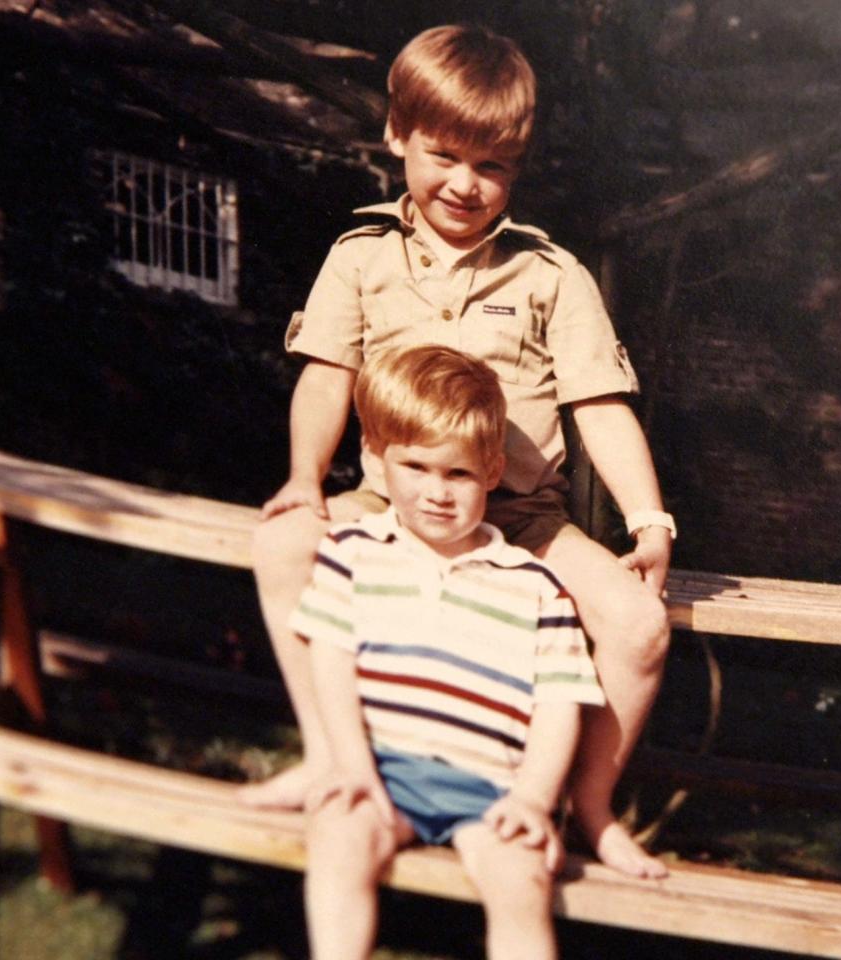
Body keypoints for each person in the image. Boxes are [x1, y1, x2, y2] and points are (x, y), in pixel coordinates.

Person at [240, 22, 674, 879]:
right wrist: (302, 480)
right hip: (393, 508)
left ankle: (586, 806)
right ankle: (332, 759)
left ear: (517, 165)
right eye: (444, 156)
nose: (466, 186)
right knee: (281, 542)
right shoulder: (362, 258)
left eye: (493, 167)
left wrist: (649, 519)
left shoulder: (551, 275)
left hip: (523, 519)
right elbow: (326, 379)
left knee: (639, 626)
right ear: (398, 134)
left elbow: (601, 404)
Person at [299, 344, 605, 960]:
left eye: (458, 473)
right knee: (337, 841)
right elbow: (330, 664)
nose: (437, 493)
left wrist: (534, 800)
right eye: (417, 468)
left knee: (521, 883)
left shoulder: (535, 586)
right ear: (380, 463)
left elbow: (557, 708)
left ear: (492, 473)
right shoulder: (353, 552)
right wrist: (353, 766)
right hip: (384, 770)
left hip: (491, 790)